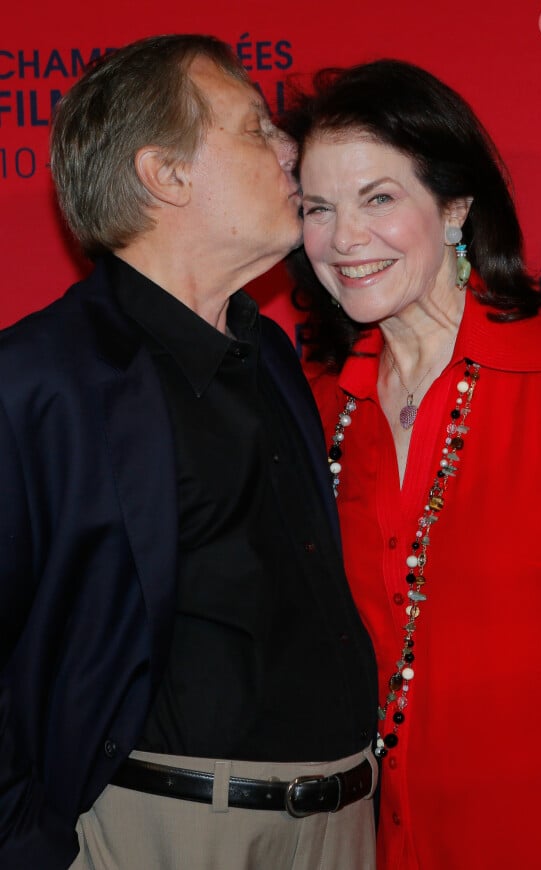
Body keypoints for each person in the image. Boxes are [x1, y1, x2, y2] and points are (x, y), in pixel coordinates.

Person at [0, 35, 379, 870]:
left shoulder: (273, 354)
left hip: (345, 826)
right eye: (255, 127)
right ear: (165, 174)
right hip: (166, 834)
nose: (290, 149)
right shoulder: (37, 381)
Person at [282, 59, 541, 869]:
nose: (344, 238)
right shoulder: (316, 412)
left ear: (455, 207)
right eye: (318, 208)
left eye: (379, 198)